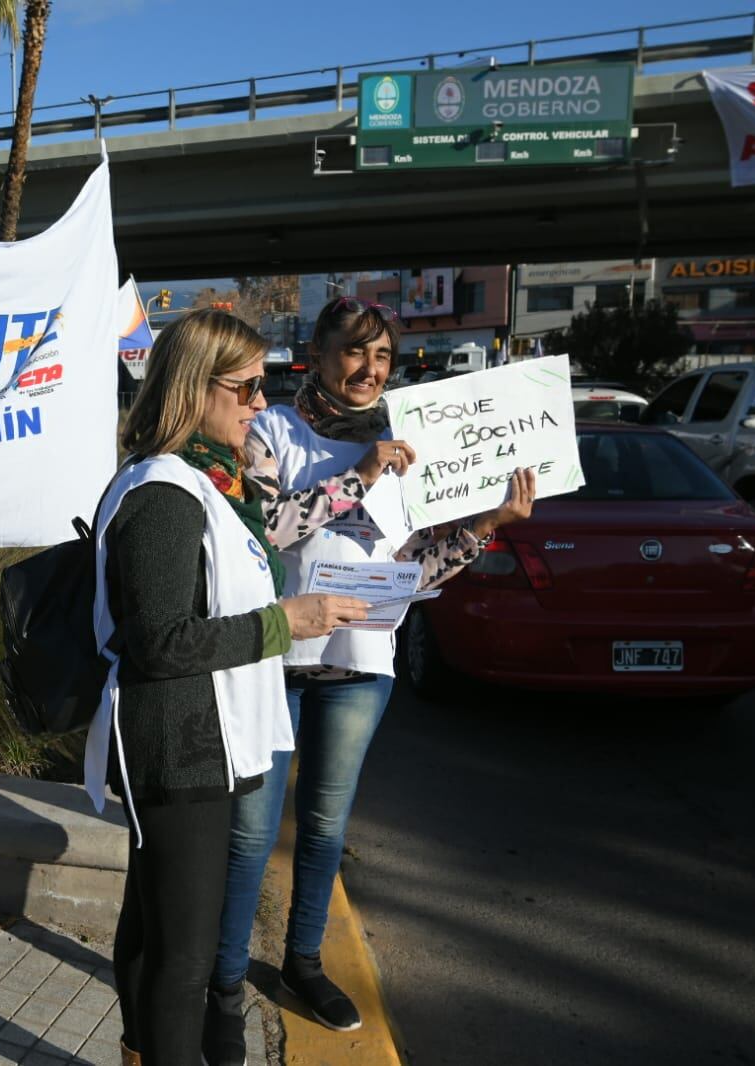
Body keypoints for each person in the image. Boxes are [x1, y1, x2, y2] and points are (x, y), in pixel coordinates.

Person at [202, 297, 535, 1061]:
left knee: (325, 829)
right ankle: (222, 986)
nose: (368, 369)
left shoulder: (411, 445)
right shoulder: (269, 431)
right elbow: (265, 528)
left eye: (381, 357)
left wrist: (485, 527)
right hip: (272, 658)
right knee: (249, 835)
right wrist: (355, 476)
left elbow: (414, 571)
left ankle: (303, 964)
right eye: (354, 353)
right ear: (315, 355)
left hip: (359, 667)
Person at [87, 308, 371, 1066]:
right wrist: (286, 621)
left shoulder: (205, 483)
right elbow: (160, 641)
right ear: (194, 388)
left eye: (263, 386)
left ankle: (136, 1051)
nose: (258, 404)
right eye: (245, 387)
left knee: (153, 935)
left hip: (199, 739)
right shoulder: (163, 492)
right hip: (179, 747)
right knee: (182, 956)